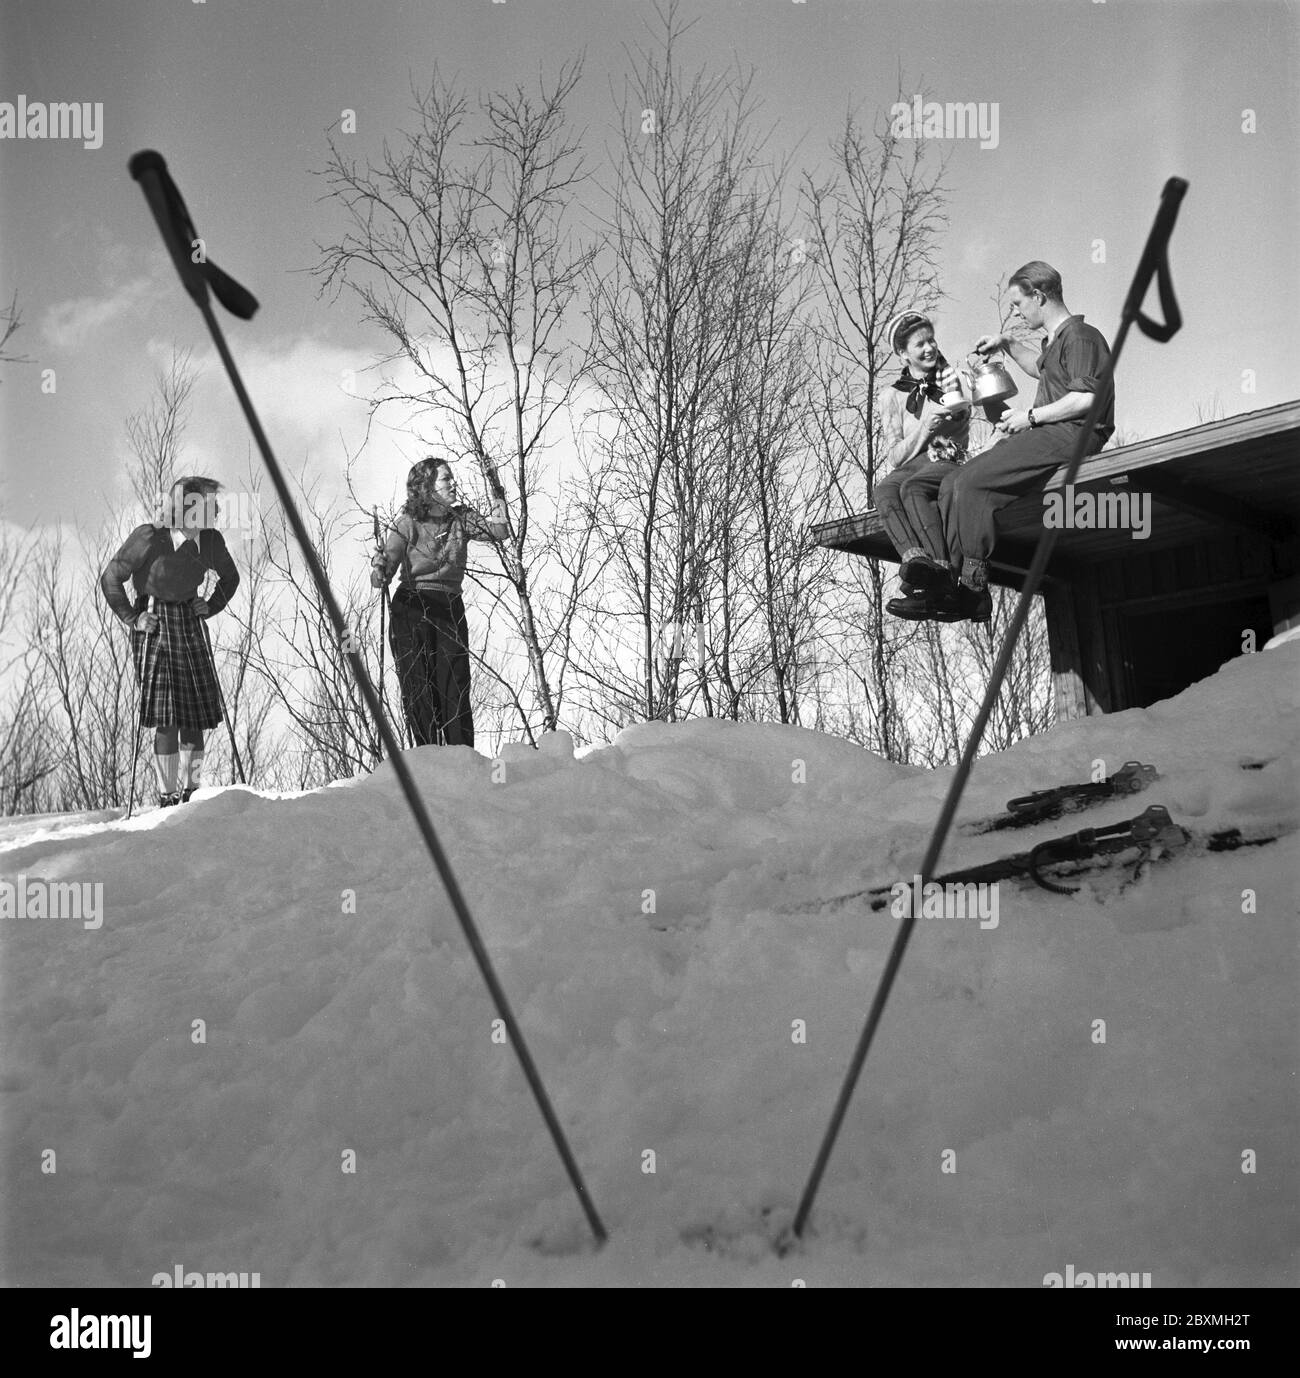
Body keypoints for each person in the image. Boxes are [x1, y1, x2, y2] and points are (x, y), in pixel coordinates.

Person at [936, 261, 1114, 621]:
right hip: (1052, 432)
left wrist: (1030, 417)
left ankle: (974, 589)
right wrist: (1009, 343)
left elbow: (1087, 399)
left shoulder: (1081, 336)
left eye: (1019, 303)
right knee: (953, 481)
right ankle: (946, 580)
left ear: (1039, 295)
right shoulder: (1057, 341)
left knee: (972, 482)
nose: (1017, 311)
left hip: (1075, 434)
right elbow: (1039, 367)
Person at [101, 476, 240, 807]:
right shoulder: (150, 537)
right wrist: (133, 619)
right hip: (155, 624)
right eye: (206, 508)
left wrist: (212, 604)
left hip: (190, 625)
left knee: (193, 714)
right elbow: (111, 579)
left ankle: (192, 793)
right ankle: (167, 797)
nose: (214, 513)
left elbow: (231, 577)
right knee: (168, 716)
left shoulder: (210, 542)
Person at [371, 456, 508, 749]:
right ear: (427, 487)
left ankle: (462, 757)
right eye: (446, 479)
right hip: (412, 607)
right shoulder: (407, 524)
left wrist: (496, 489)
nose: (453, 483)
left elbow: (500, 530)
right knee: (419, 687)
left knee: (455, 686)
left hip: (448, 607)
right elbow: (386, 566)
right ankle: (427, 759)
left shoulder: (461, 519)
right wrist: (380, 569)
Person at [875, 310, 977, 620]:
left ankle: (942, 572)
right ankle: (917, 564)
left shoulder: (951, 379)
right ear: (903, 353)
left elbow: (963, 422)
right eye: (920, 344)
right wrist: (925, 428)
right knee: (884, 490)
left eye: (931, 340)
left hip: (945, 455)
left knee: (911, 488)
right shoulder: (891, 396)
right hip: (912, 461)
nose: (930, 348)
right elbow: (893, 456)